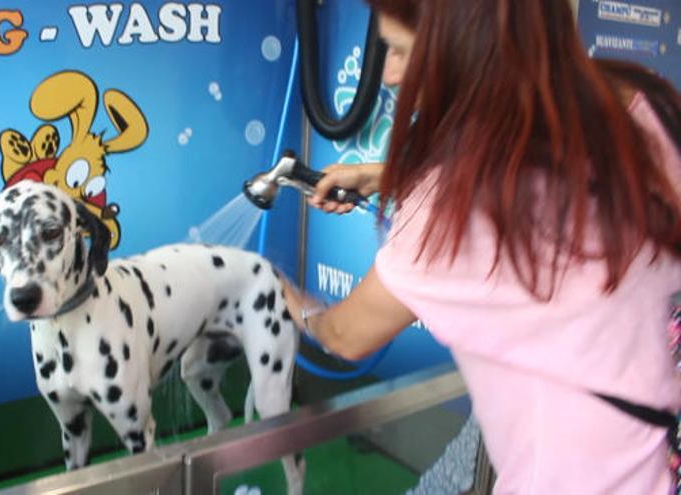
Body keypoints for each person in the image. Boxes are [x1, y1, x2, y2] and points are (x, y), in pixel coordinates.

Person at [283, 0, 681, 492]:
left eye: (404, 52)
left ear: (470, 51)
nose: (387, 76)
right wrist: (384, 176)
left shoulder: (448, 205)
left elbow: (347, 335)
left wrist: (292, 305)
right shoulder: (639, 103)